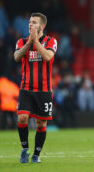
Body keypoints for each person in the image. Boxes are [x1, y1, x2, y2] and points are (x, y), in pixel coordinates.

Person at [14, 13, 58, 163]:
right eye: (29, 22)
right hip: (26, 89)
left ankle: (36, 155)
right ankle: (25, 149)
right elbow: (16, 57)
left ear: (42, 26)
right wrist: (29, 43)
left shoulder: (51, 41)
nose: (30, 25)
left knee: (41, 123)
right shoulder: (21, 41)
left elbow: (47, 56)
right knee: (22, 117)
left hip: (44, 91)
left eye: (34, 22)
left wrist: (36, 41)